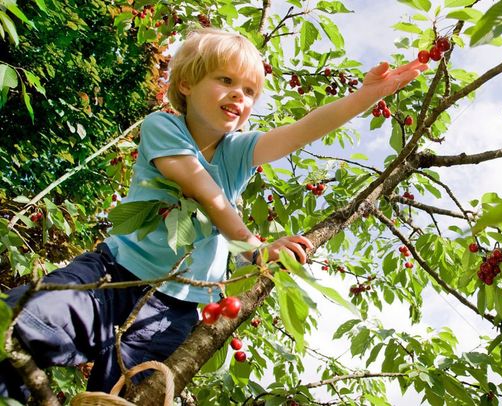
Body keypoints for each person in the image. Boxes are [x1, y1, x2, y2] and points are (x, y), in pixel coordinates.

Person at [0, 27, 427, 401]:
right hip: (113, 276)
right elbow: (205, 193)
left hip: (174, 310)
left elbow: (302, 131)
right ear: (186, 83)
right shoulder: (163, 127)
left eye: (249, 92)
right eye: (225, 80)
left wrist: (368, 95)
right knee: (25, 326)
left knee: (125, 398)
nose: (239, 96)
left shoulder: (237, 153)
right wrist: (255, 248)